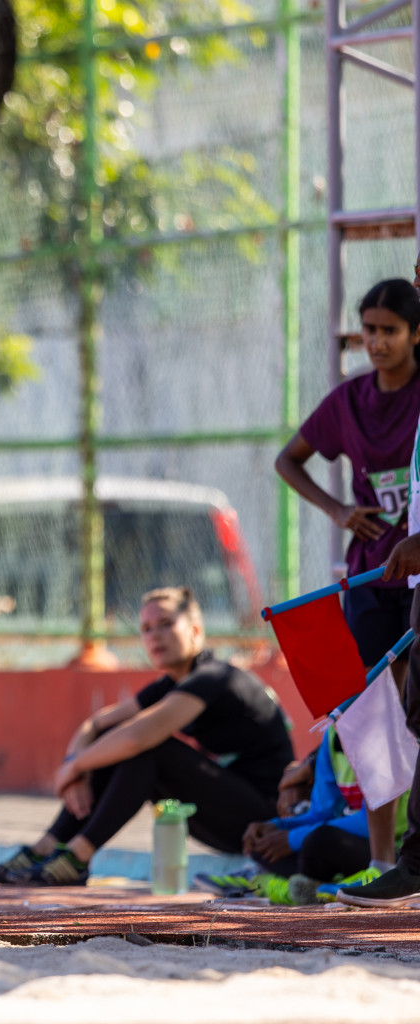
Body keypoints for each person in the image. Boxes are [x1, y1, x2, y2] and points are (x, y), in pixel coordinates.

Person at [0, 587, 294, 886]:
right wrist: (75, 769)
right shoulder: (171, 683)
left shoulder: (214, 677)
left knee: (149, 748)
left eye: (166, 623)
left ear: (196, 630)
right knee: (119, 739)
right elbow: (97, 724)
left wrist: (73, 767)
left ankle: (78, 857)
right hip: (223, 813)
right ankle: (46, 847)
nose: (155, 636)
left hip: (264, 822)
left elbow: (139, 738)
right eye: (147, 628)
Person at [274, 277, 420, 871]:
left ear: (416, 333)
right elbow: (288, 459)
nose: (377, 342)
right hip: (369, 580)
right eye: (369, 330)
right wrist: (336, 510)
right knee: (371, 715)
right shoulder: (350, 401)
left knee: (416, 709)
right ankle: (383, 858)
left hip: (418, 581)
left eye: (389, 330)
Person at [195, 726, 406, 904]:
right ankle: (320, 885)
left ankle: (275, 883)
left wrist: (292, 839)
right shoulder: (332, 735)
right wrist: (278, 827)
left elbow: (375, 823)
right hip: (352, 845)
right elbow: (320, 813)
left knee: (321, 840)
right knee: (263, 845)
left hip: (396, 849)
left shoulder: (383, 733)